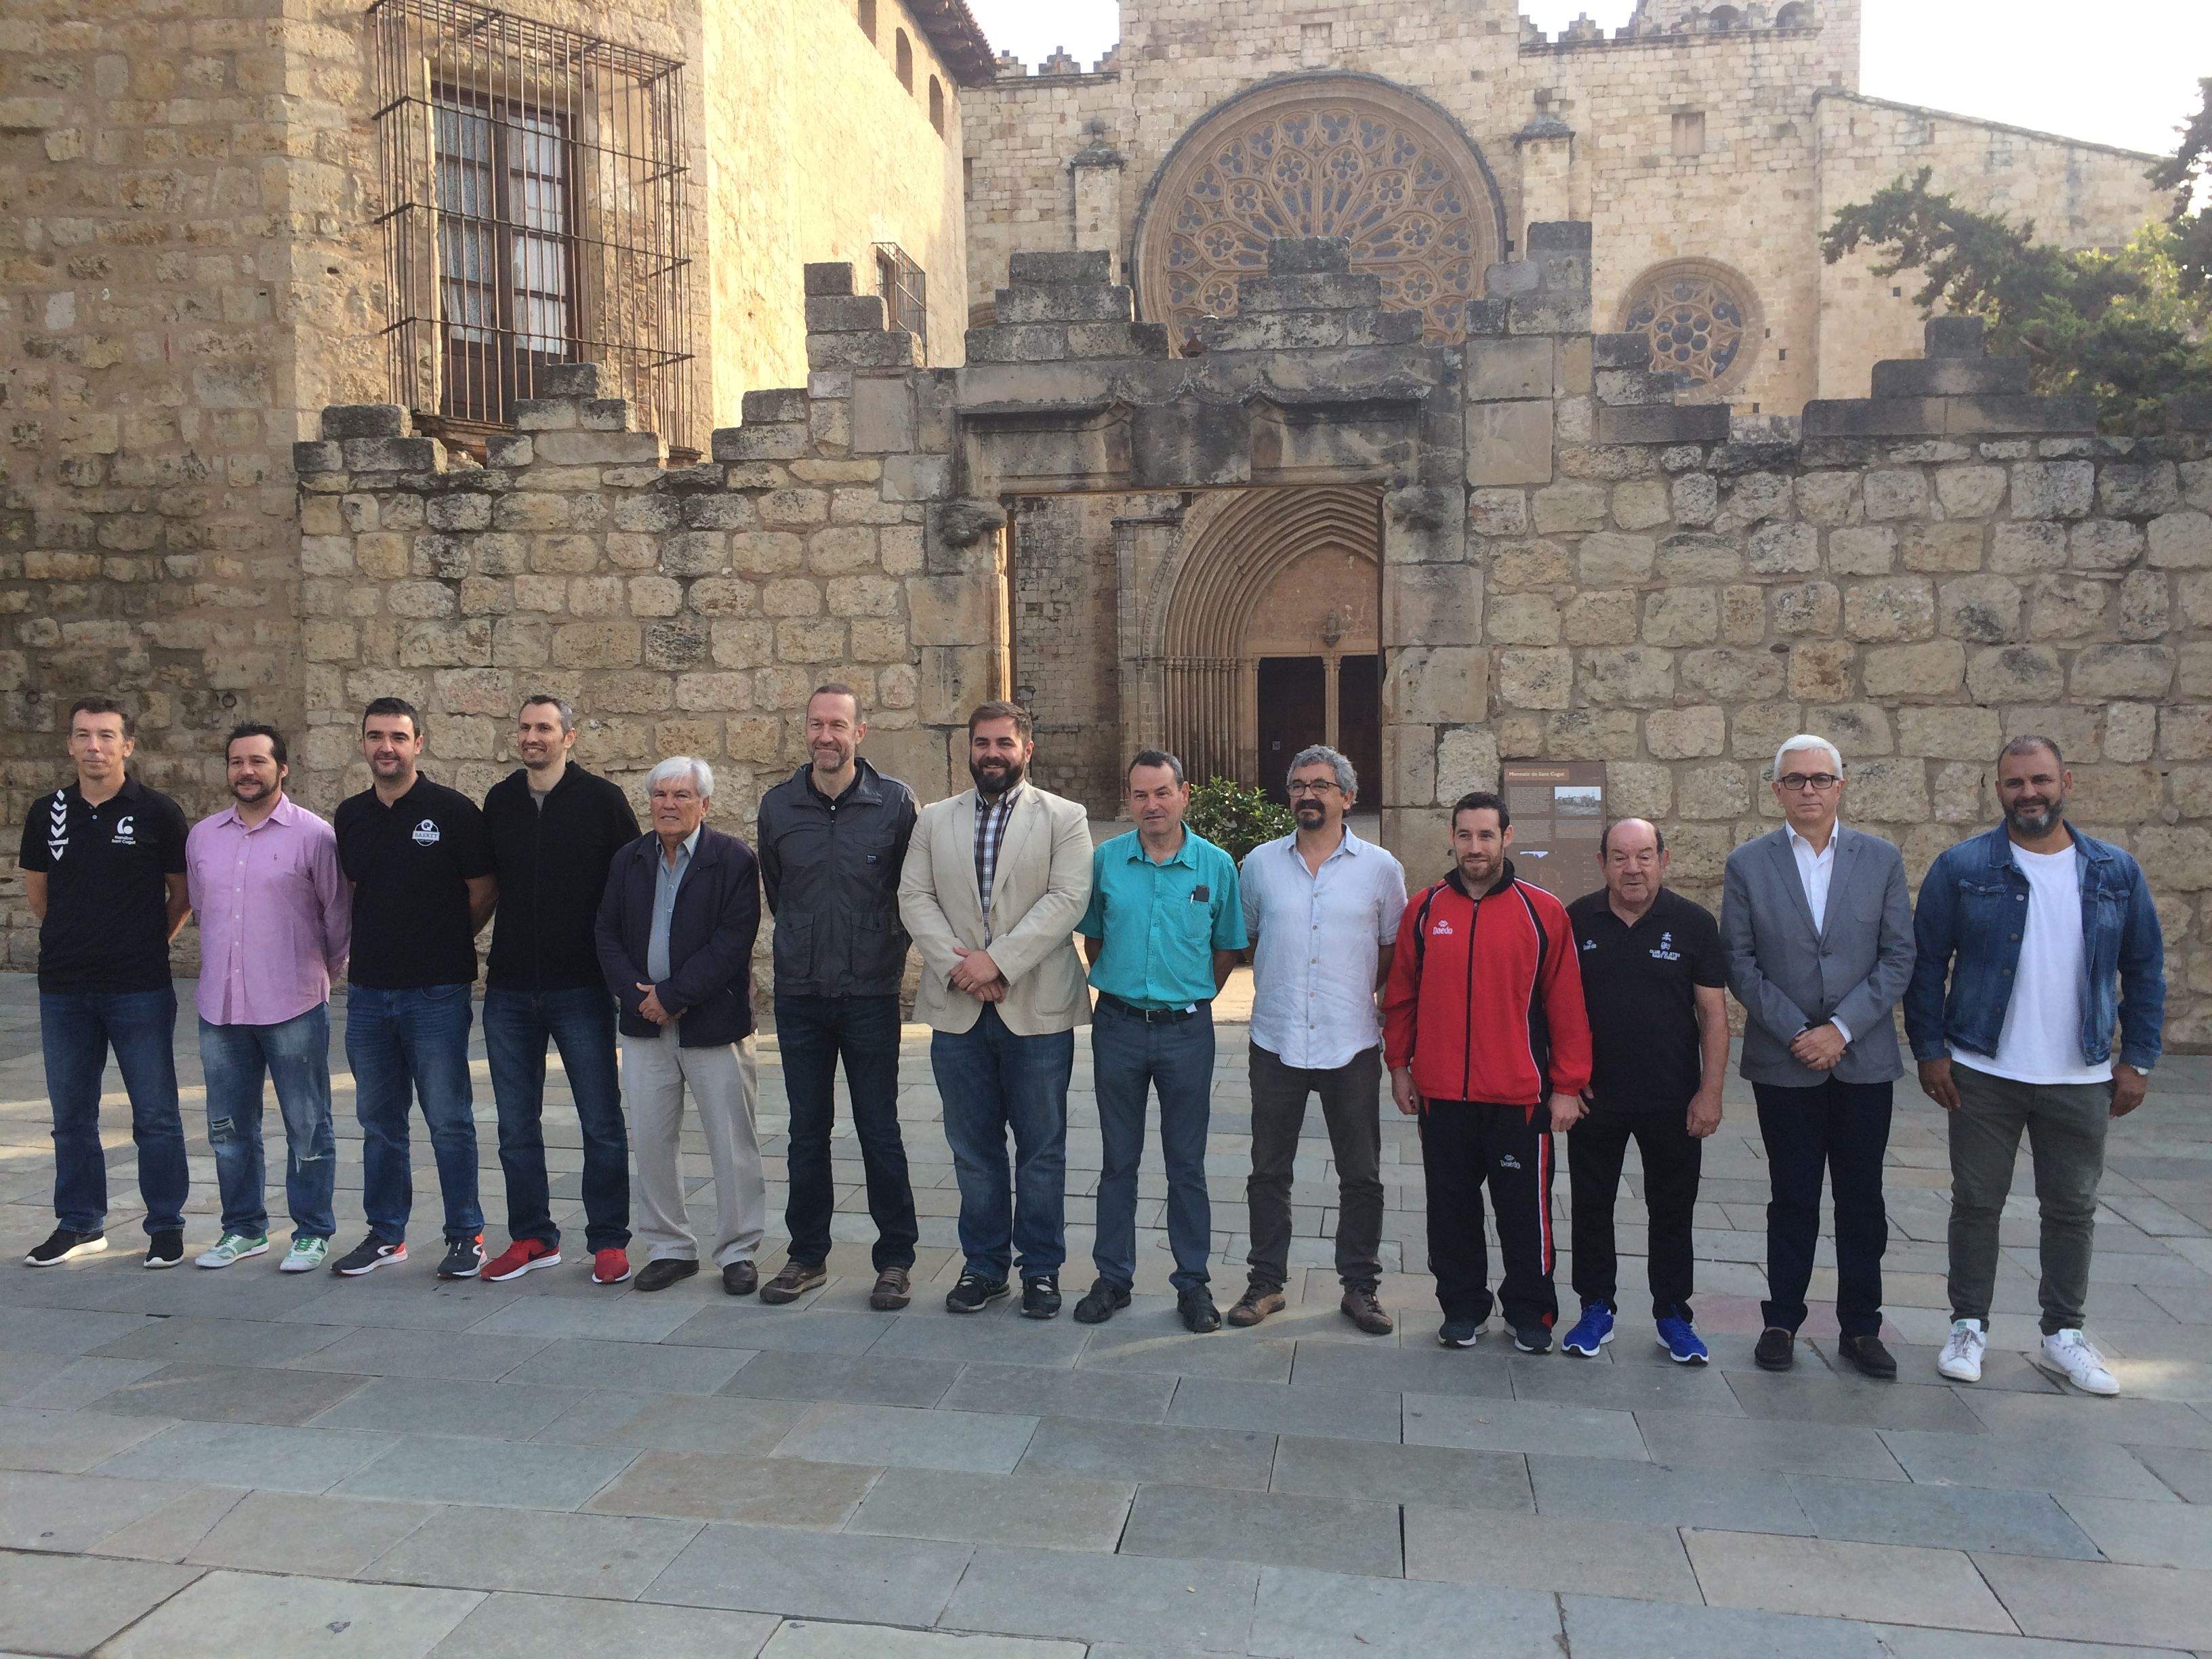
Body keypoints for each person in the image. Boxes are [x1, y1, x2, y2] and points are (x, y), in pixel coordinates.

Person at [1908, 736, 2165, 1396]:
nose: (2029, 793)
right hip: (1983, 1069)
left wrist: (2137, 1059)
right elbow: (1926, 962)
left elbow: (2144, 968)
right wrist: (1930, 1050)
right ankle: (1968, 1326)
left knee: (2072, 1208)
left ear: (2065, 783)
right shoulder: (1963, 867)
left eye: (2041, 780)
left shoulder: (2115, 871)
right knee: (1976, 1203)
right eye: (2016, 782)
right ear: (1998, 790)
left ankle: (2063, 1335)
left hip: (2080, 1073)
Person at [1722, 733, 1914, 1378]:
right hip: (1786, 1062)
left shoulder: (1881, 859)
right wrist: (1799, 1031)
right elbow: (1740, 962)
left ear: (1841, 786)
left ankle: (1861, 1328)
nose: (1809, 789)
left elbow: (1899, 957)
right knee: (1792, 1197)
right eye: (1796, 780)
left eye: (1821, 778)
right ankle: (1781, 1320)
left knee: (1862, 1199)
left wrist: (1841, 1029)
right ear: (1776, 790)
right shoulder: (1749, 864)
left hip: (1863, 1061)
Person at [899, 700, 1092, 1319]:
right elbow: (914, 896)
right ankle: (984, 1267)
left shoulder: (1064, 817)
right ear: (969, 748)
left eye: (1004, 743)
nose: (992, 753)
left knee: (1041, 1149)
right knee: (972, 1149)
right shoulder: (934, 820)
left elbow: (1067, 899)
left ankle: (1041, 1270)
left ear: (1026, 749)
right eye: (982, 742)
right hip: (958, 1009)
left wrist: (998, 962)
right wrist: (964, 967)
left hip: (1036, 1008)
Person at [1382, 792, 1591, 1352]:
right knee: (1451, 1212)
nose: (1475, 847)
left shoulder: (1543, 912)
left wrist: (1568, 1086)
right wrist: (1399, 1066)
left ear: (1507, 838)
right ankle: (1462, 1307)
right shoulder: (1425, 909)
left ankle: (1530, 1312)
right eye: (1465, 835)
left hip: (1518, 1099)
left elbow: (1567, 1005)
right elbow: (1401, 996)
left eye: (1486, 836)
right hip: (1442, 1096)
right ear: (1452, 838)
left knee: (1524, 1215)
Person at [1230, 744, 1406, 1335]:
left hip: (1349, 1041)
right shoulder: (1259, 865)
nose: (1308, 794)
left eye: (1321, 785)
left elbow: (1390, 950)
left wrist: (1351, 991)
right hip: (1276, 1038)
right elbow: (1250, 937)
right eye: (1299, 785)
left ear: (1347, 798)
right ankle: (1266, 1283)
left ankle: (1360, 1287)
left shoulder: (1381, 868)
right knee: (1268, 1171)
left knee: (1361, 1174)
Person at [756, 685, 921, 1313]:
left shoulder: (896, 804)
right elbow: (780, 891)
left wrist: (876, 950)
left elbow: (911, 893)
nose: (826, 736)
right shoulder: (778, 806)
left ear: (860, 732)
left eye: (838, 725)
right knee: (806, 1131)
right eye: (816, 724)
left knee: (879, 1128)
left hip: (870, 993)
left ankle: (896, 1260)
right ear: (806, 730)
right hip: (801, 994)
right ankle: (807, 1255)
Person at [1073, 750, 1246, 1333]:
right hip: (1118, 1028)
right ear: (1128, 800)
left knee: (1186, 1164)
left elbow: (1228, 948)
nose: (1152, 805)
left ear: (1184, 795)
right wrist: (1130, 989)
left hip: (1186, 1035)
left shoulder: (1215, 865)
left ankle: (1192, 1284)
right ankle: (1112, 1279)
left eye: (1163, 792)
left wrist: (1189, 996)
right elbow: (1095, 939)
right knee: (1118, 1161)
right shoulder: (1106, 861)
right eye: (1141, 795)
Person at [20, 697, 192, 1269]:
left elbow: (182, 894)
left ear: (128, 745)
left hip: (139, 987)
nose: (94, 746)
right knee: (72, 1117)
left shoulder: (158, 812)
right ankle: (80, 1223)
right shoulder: (46, 812)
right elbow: (40, 896)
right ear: (70, 744)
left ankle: (165, 1225)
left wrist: (144, 942)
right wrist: (79, 939)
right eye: (83, 735)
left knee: (156, 1115)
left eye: (106, 735)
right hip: (65, 990)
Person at [331, 697, 497, 1279]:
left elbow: (483, 889)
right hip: (368, 993)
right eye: (376, 736)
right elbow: (355, 891)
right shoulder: (350, 816)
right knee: (380, 1122)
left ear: (418, 744)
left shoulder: (452, 811)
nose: (387, 747)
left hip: (436, 993)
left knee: (449, 1119)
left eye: (398, 737)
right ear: (363, 743)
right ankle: (386, 1234)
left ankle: (466, 1235)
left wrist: (444, 939)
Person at [479, 696, 640, 1288]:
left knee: (600, 1120)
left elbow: (632, 883)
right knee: (515, 1125)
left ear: (569, 738)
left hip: (582, 986)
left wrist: (625, 969)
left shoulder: (602, 801)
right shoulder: (500, 801)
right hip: (509, 989)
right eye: (525, 727)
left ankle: (609, 1239)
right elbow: (485, 883)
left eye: (544, 728)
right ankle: (532, 1236)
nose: (532, 737)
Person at [595, 756, 767, 1295]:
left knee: (732, 1143)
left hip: (715, 1025)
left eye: (681, 795)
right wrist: (637, 997)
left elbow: (733, 941)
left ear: (705, 804)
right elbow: (606, 933)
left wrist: (672, 996)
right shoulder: (629, 859)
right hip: (644, 1028)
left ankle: (738, 1251)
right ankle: (669, 1248)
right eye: (660, 795)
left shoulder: (733, 859)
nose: (668, 805)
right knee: (651, 1140)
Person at [1560, 819, 1729, 1365]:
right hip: (1596, 1099)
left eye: (1644, 856)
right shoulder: (1576, 920)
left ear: (1664, 859)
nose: (1632, 868)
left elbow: (1713, 1015)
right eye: (1620, 857)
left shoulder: (1694, 924)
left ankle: (1673, 1315)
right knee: (1591, 1207)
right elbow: (1555, 1008)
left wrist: (1710, 1092)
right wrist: (1564, 1082)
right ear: (1602, 863)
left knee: (1672, 1210)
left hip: (1672, 1099)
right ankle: (1596, 1308)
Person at [186, 724, 350, 1273]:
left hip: (293, 1004)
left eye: (258, 761)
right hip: (221, 1007)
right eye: (237, 762)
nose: (246, 771)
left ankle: (312, 1231)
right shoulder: (203, 837)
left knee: (307, 1125)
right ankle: (244, 1228)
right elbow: (203, 909)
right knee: (228, 1129)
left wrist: (317, 976)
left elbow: (337, 918)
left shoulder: (315, 836)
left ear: (282, 769)